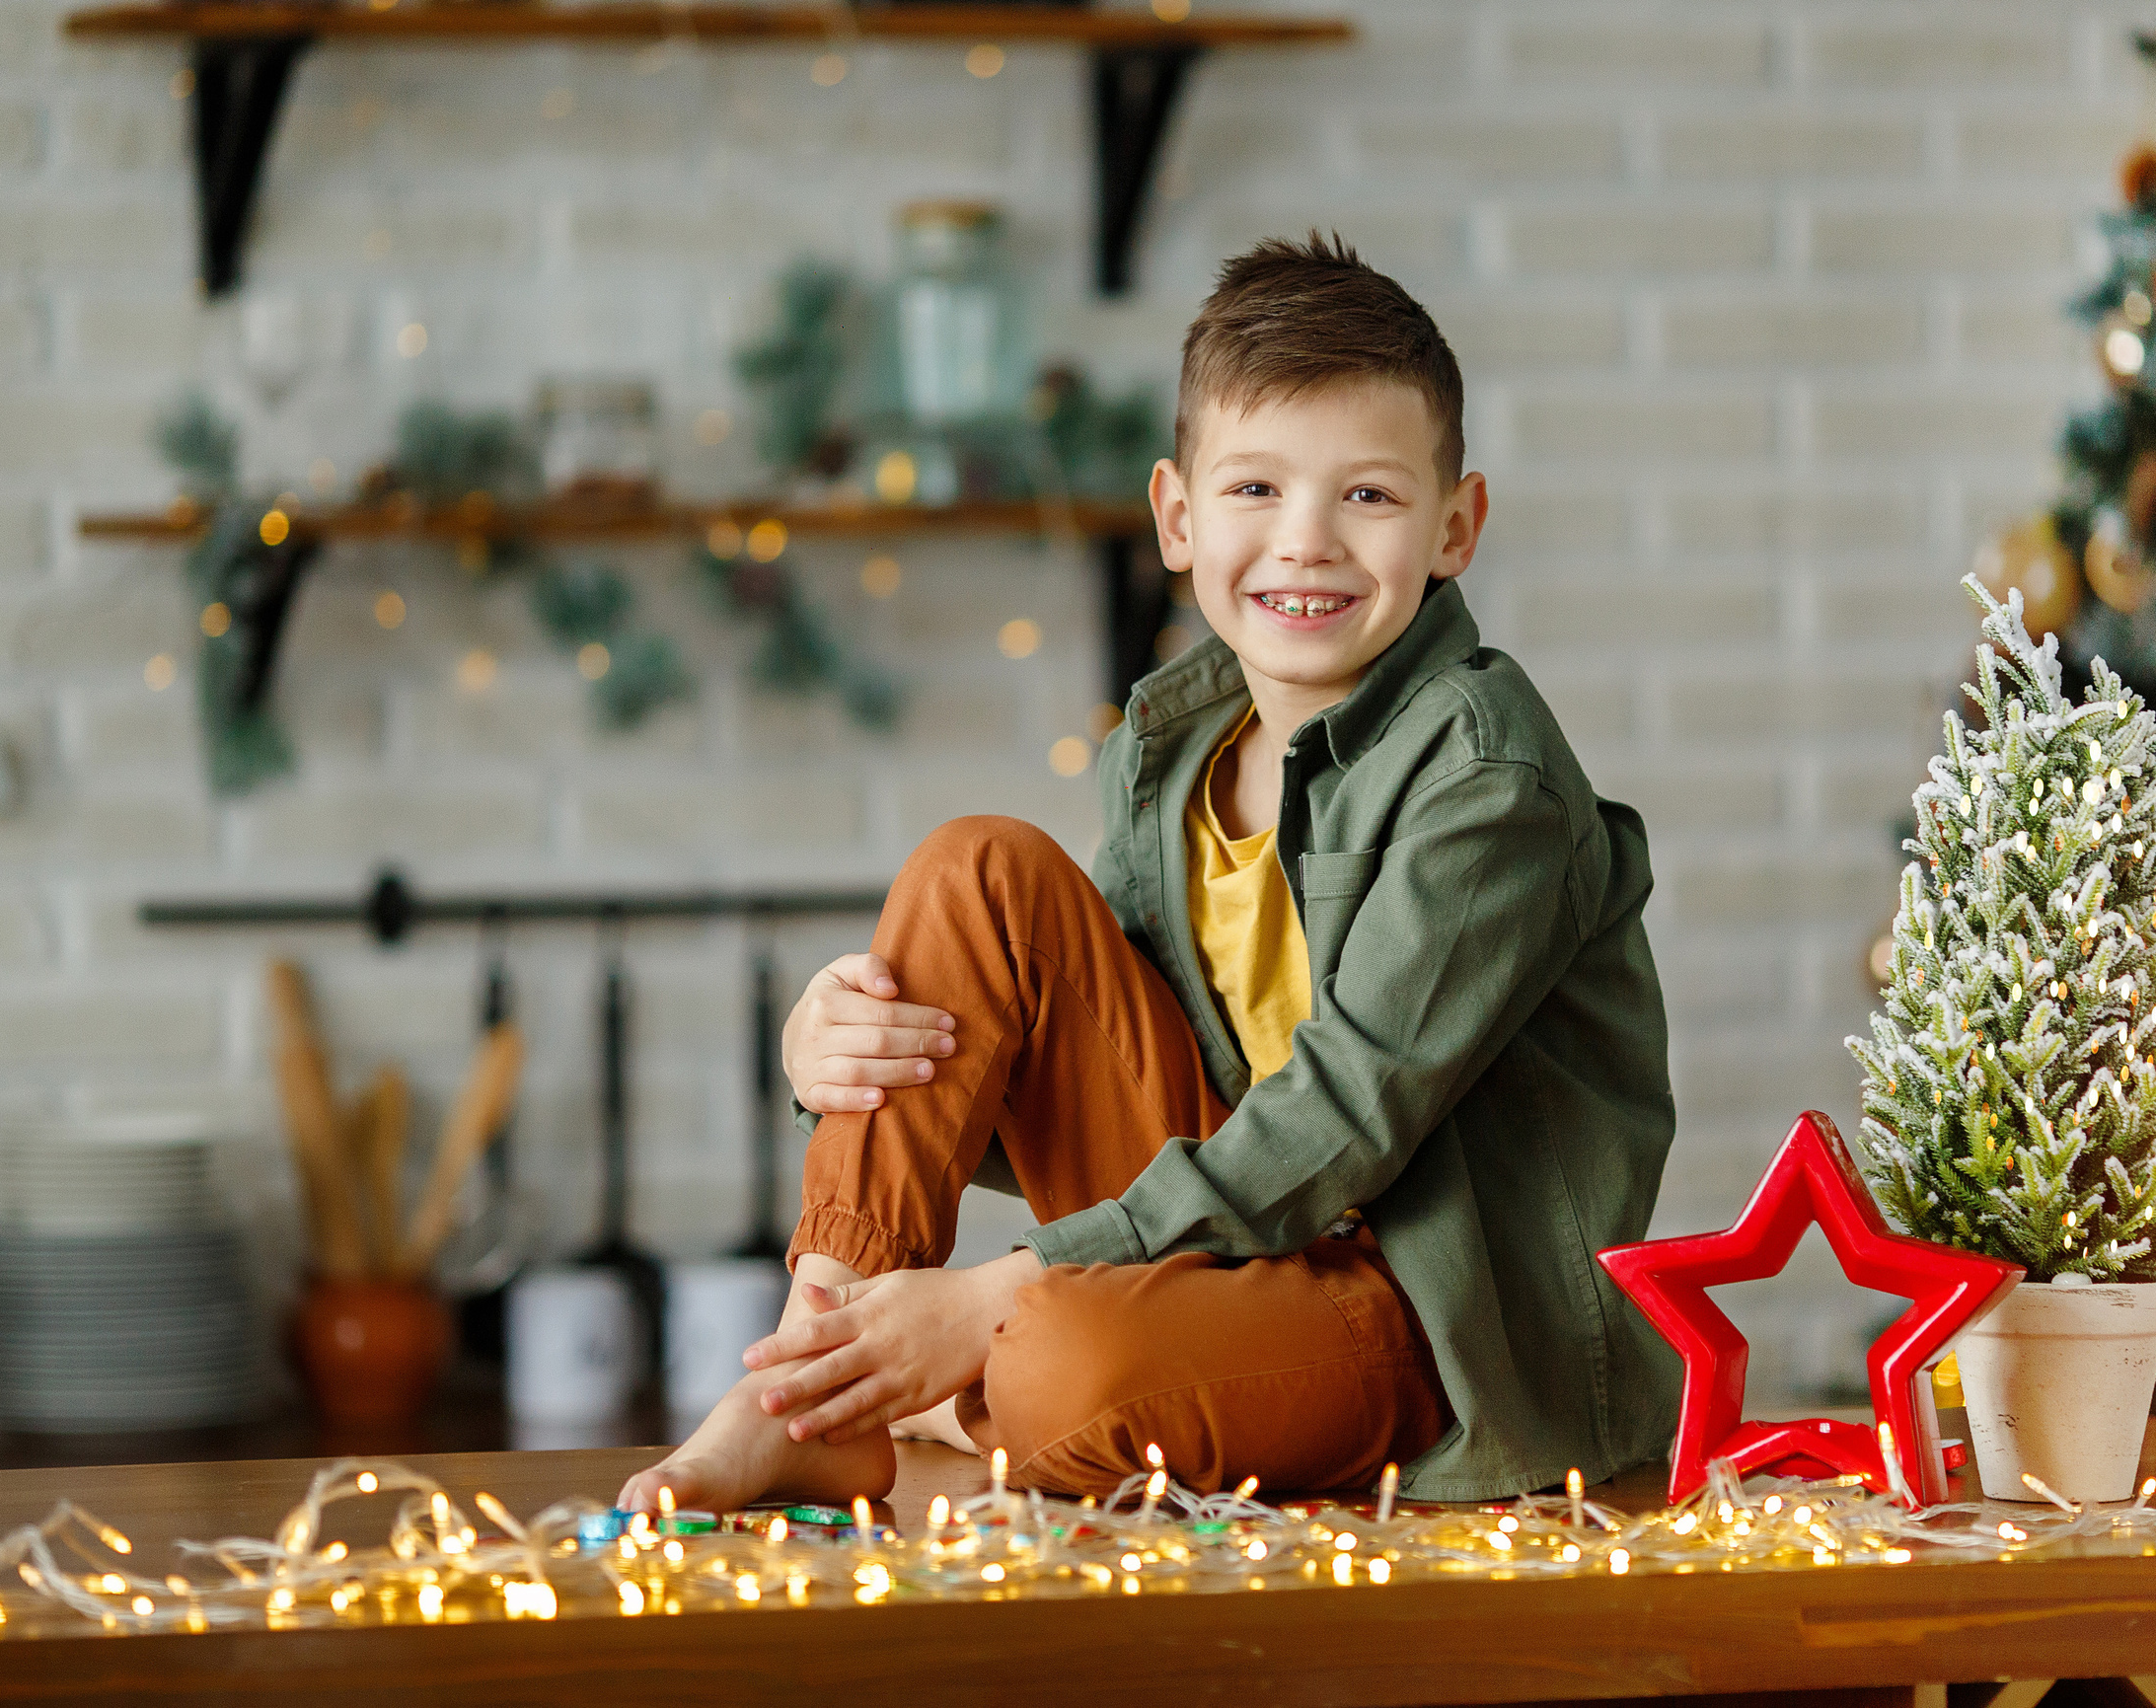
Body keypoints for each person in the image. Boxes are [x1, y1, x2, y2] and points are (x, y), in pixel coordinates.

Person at [622, 233, 1677, 1514]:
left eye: (1368, 496)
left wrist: (996, 1296)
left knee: (1057, 1365)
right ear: (1178, 518)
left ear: (1455, 527)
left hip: (1419, 1315)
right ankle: (813, 1382)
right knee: (974, 871)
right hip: (1230, 1244)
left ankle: (951, 1391)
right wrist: (832, 1069)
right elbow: (1055, 1071)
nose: (1306, 542)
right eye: (1255, 489)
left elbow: (1344, 1126)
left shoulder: (1486, 781)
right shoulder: (1173, 750)